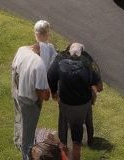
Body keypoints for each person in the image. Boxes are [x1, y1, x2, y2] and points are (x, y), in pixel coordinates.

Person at [47, 43, 102, 160]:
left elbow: (50, 76)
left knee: (63, 124)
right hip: (83, 105)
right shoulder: (87, 63)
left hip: (65, 103)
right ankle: (87, 141)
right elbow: (99, 87)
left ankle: (64, 150)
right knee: (77, 140)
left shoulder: (61, 61)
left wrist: (53, 92)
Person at [11, 26, 52, 160]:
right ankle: (26, 155)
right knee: (29, 133)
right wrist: (44, 98)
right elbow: (41, 93)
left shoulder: (22, 49)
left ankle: (18, 140)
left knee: (19, 119)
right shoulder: (39, 64)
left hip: (17, 92)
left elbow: (14, 68)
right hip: (29, 101)